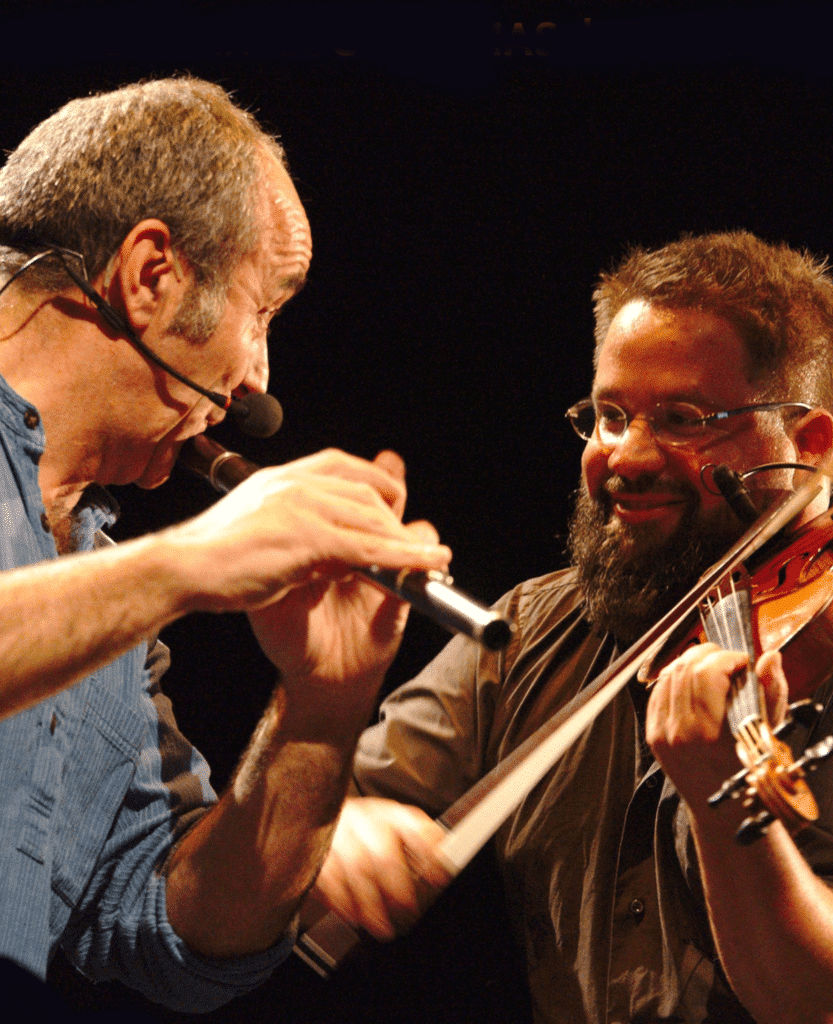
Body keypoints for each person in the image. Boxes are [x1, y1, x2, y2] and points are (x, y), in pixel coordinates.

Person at [311, 231, 833, 1023]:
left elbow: (822, 1002)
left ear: (809, 445)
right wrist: (341, 824)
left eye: (683, 419)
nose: (626, 455)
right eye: (611, 414)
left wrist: (723, 808)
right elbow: (323, 807)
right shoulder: (531, 626)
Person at [0, 77, 452, 1010]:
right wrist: (188, 564)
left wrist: (321, 710)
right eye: (263, 311)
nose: (257, 383)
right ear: (150, 274)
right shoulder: (141, 581)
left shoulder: (98, 586)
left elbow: (180, 933)